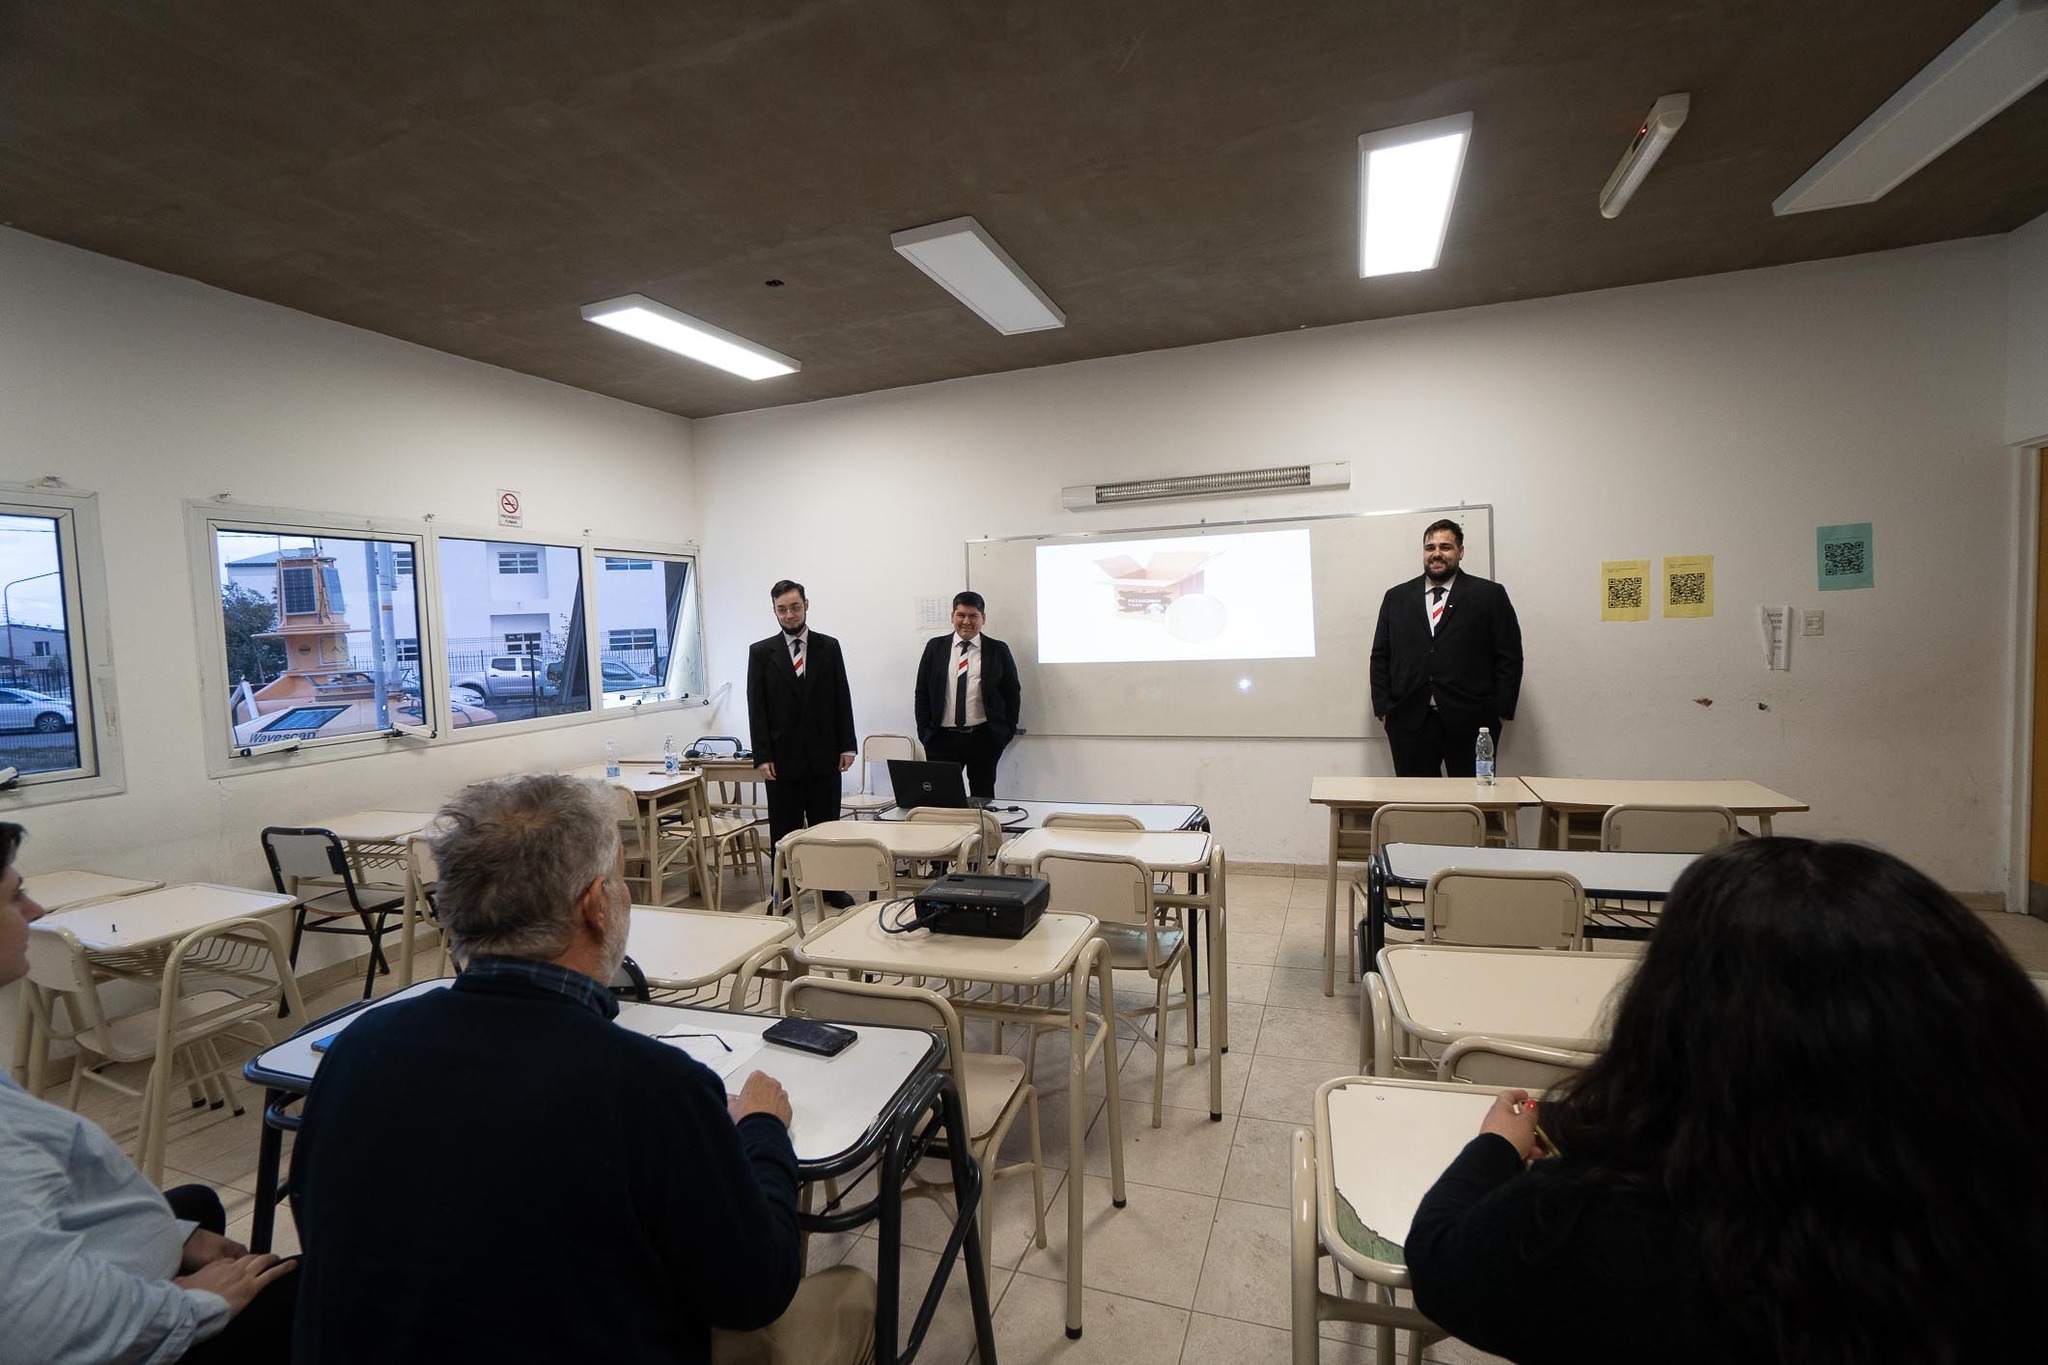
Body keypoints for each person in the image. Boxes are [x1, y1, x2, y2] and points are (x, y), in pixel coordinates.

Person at [289, 776, 873, 1364]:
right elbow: (755, 1291)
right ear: (596, 905)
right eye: (620, 882)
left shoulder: (356, 1050)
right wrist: (762, 1128)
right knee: (853, 1293)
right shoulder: (653, 1087)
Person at [1405, 838, 2048, 1365]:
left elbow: (1440, 1261)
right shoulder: (1996, 1223)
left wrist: (1495, 1146)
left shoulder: (1595, 1226)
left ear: (1669, 1016)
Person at [0, 822, 298, 1365]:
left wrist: (173, 1234)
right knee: (306, 1287)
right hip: (131, 1330)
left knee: (196, 1203)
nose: (35, 910)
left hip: (109, 1272)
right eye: (13, 896)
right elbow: (40, 1326)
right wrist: (191, 1304)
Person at [1368, 518, 1523, 778]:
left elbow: (1509, 657)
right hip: (1409, 722)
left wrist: (1500, 713)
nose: (1437, 554)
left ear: (1460, 552)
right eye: (1430, 547)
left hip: (1472, 721)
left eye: (1445, 547)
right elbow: (1380, 656)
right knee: (1416, 799)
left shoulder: (1489, 595)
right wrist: (1384, 711)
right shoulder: (1396, 598)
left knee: (1473, 799)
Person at [746, 580, 857, 894]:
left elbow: (841, 697)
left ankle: (832, 888)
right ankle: (782, 893)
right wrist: (762, 755)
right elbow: (757, 707)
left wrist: (847, 745)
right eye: (782, 609)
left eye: (795, 607)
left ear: (806, 605)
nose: (789, 615)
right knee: (784, 831)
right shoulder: (761, 653)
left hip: (824, 755)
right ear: (774, 611)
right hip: (782, 760)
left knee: (827, 829)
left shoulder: (829, 647)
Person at [913, 590, 1021, 800]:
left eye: (973, 616)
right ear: (952, 616)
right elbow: (922, 691)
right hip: (941, 739)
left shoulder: (998, 650)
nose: (966, 621)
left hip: (983, 738)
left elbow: (1011, 693)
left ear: (983, 618)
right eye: (961, 615)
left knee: (983, 800)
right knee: (941, 800)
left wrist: (1004, 733)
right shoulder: (935, 647)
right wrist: (925, 732)